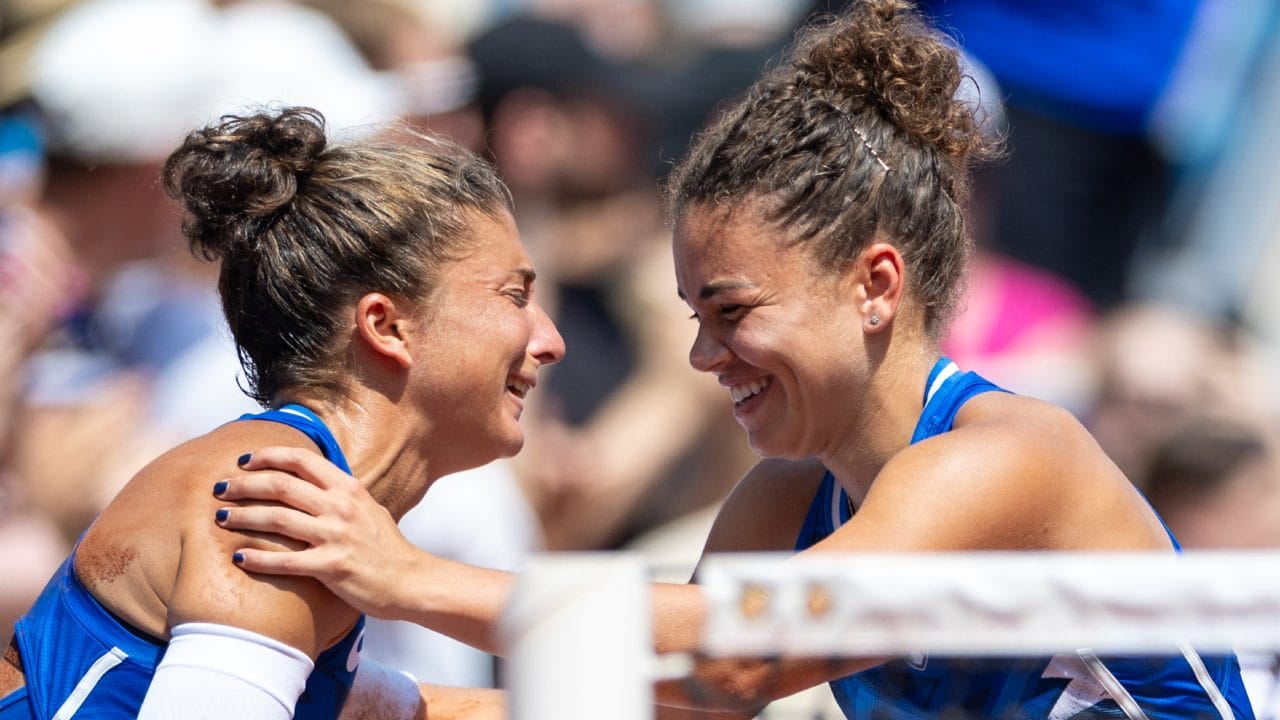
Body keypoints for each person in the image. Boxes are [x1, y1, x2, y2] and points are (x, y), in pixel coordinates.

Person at [209, 2, 1256, 718]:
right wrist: (384, 701)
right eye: (689, 314)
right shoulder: (780, 503)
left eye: (731, 310)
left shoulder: (1005, 456)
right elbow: (680, 697)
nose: (704, 357)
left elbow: (744, 651)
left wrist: (400, 577)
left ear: (875, 286)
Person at [0, 106, 564, 719]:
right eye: (515, 296)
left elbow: (410, 709)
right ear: (387, 325)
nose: (550, 340)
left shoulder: (300, 501)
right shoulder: (275, 503)